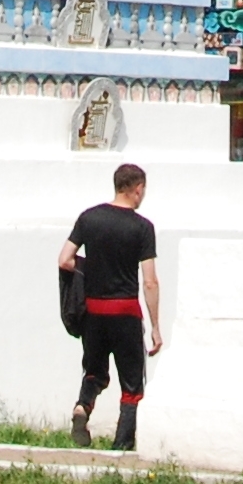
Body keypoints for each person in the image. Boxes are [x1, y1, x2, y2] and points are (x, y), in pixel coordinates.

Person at [57, 162, 164, 451]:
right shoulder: (142, 227)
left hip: (93, 312)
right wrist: (155, 327)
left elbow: (65, 259)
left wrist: (90, 270)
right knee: (132, 385)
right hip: (125, 312)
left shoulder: (89, 218)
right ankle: (122, 446)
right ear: (138, 189)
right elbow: (150, 281)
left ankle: (82, 406)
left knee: (95, 372)